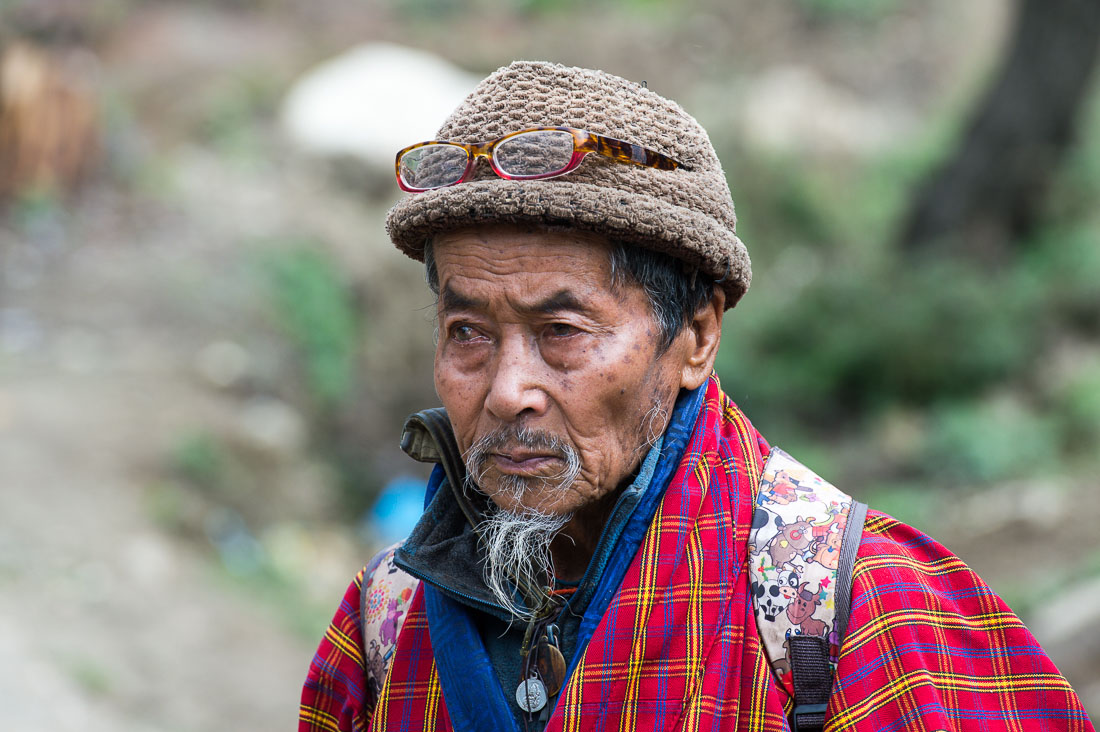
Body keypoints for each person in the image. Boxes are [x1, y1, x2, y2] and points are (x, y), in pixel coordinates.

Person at [300, 61, 1093, 732]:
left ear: (699, 335)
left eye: (563, 331)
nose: (509, 392)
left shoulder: (851, 612)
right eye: (467, 332)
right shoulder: (384, 624)